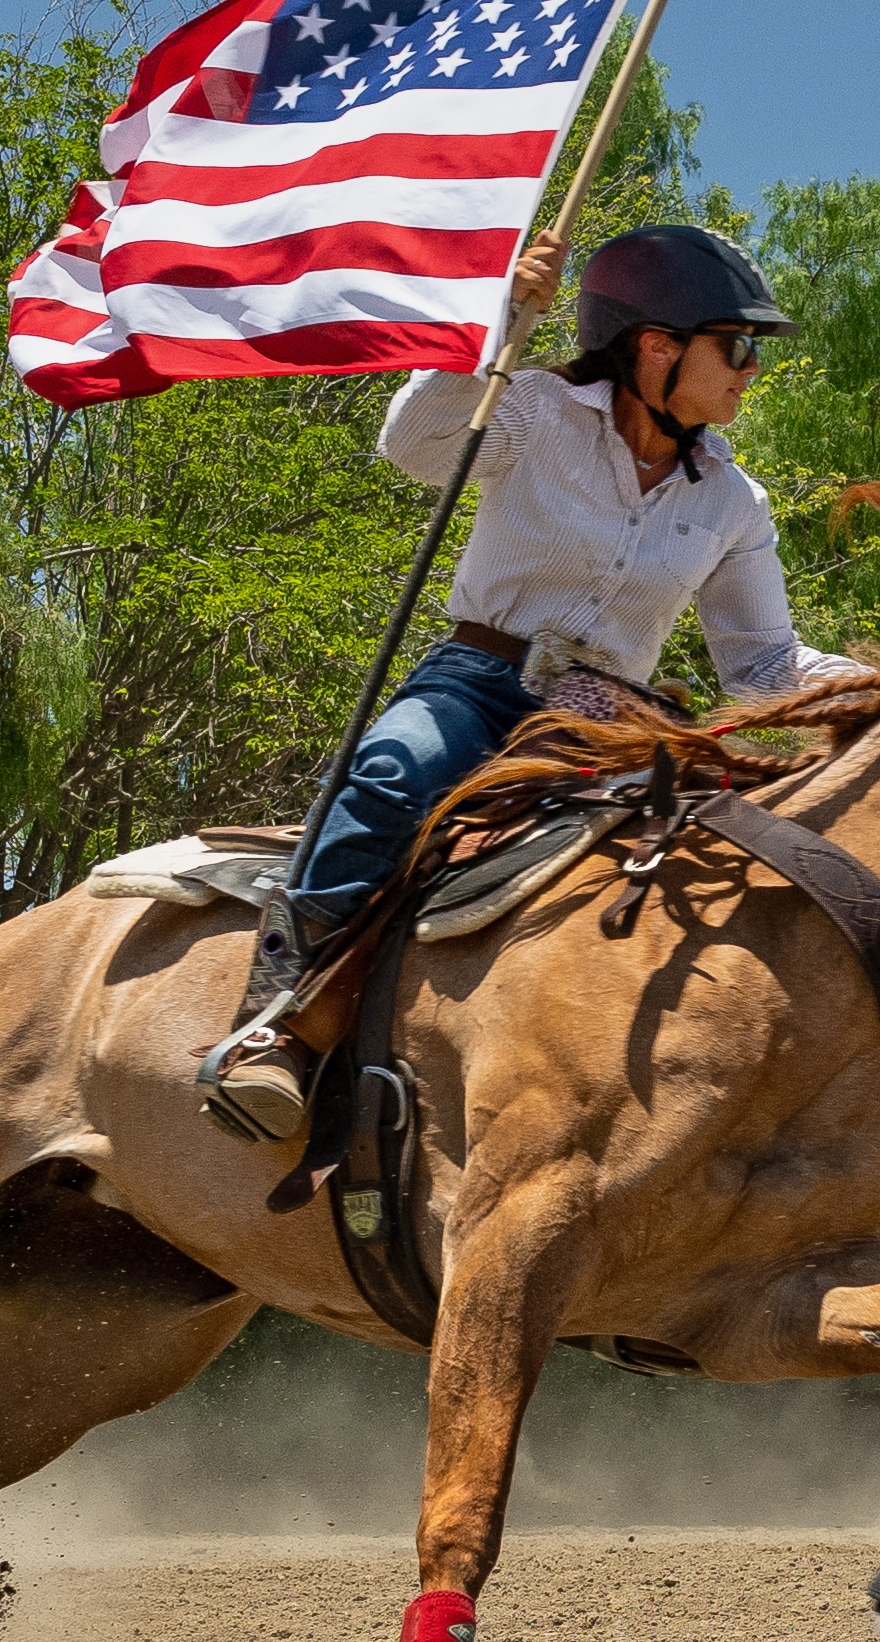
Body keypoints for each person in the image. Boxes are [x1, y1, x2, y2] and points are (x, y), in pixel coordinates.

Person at [202, 224, 806, 1149]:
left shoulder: (732, 501)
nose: (750, 369)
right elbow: (414, 444)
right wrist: (501, 324)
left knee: (722, 849)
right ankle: (282, 1024)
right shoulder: (530, 409)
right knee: (392, 773)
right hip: (482, 680)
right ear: (656, 346)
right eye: (738, 346)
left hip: (612, 719)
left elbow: (763, 667)